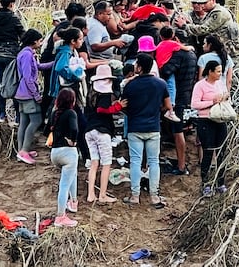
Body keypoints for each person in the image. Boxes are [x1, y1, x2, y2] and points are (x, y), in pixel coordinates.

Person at [122, 53, 173, 208]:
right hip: (153, 127)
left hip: (135, 127)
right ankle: (154, 197)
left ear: (140, 67)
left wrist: (132, 114)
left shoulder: (130, 85)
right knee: (153, 162)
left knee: (135, 161)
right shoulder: (161, 84)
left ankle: (135, 196)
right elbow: (168, 106)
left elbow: (123, 106)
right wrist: (157, 111)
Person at [175, 0, 239, 79]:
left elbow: (204, 29)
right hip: (224, 53)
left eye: (204, 3)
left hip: (232, 53)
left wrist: (185, 26)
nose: (201, 6)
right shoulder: (211, 13)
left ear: (213, 0)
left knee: (234, 79)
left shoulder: (219, 13)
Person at [85, 65, 127, 203]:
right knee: (107, 163)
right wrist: (117, 107)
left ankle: (91, 194)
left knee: (94, 163)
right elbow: (102, 110)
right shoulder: (104, 94)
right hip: (102, 131)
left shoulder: (91, 93)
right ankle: (102, 195)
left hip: (89, 131)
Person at [49, 26, 89, 164]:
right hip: (68, 90)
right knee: (81, 123)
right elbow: (61, 68)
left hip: (67, 91)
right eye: (80, 39)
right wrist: (74, 76)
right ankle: (85, 155)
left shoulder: (68, 51)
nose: (82, 42)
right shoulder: (66, 52)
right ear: (73, 41)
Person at [15, 29, 54, 164]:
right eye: (39, 40)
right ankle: (24, 150)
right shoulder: (26, 55)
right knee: (36, 121)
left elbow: (38, 67)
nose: (40, 43)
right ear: (34, 41)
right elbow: (28, 77)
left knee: (24, 122)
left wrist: (53, 64)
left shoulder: (26, 53)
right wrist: (36, 95)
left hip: (22, 93)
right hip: (27, 94)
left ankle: (21, 150)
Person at [191, 60, 230, 196]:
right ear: (210, 72)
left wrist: (224, 98)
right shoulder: (200, 86)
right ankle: (206, 184)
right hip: (206, 121)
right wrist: (211, 102)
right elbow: (195, 104)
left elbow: (226, 96)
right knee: (208, 152)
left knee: (221, 152)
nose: (220, 74)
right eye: (218, 71)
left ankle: (221, 183)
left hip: (220, 120)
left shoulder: (220, 84)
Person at [160, 37, 197, 175]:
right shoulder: (192, 54)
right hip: (186, 95)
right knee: (177, 128)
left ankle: (181, 166)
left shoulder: (178, 55)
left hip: (177, 98)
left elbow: (167, 71)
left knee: (177, 130)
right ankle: (181, 164)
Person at [0, 0, 25, 122]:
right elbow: (23, 34)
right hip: (11, 55)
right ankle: (17, 117)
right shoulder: (14, 18)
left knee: (1, 84)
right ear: (11, 4)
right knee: (14, 84)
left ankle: (2, 114)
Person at [50, 88, 79, 227]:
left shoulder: (55, 113)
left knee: (72, 174)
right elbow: (74, 129)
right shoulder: (71, 113)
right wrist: (73, 141)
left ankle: (73, 202)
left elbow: (46, 130)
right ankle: (60, 216)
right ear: (72, 101)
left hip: (55, 153)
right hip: (68, 153)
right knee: (64, 185)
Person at [156, 26, 194, 122]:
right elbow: (184, 48)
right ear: (173, 35)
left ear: (160, 36)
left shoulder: (159, 44)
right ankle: (171, 107)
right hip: (167, 69)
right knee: (171, 86)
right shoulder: (173, 44)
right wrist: (190, 47)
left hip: (159, 67)